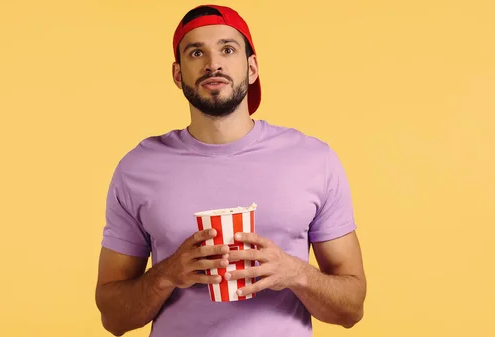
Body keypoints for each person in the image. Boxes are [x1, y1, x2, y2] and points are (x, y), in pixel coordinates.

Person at [94, 4, 367, 337]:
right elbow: (114, 319)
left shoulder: (313, 159)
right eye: (196, 52)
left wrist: (293, 273)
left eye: (227, 48)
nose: (213, 64)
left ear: (251, 68)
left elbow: (351, 308)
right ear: (178, 74)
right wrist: (167, 274)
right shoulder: (137, 168)